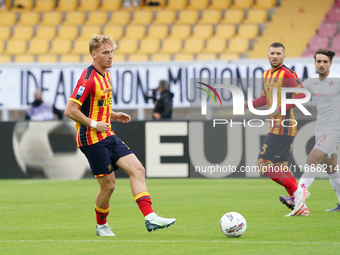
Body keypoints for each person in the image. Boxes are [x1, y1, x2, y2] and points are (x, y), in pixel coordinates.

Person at [64, 35, 176, 236]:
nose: (110, 56)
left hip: (107, 133)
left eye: (111, 52)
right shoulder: (87, 79)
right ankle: (101, 226)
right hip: (90, 139)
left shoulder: (105, 74)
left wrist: (112, 114)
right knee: (109, 186)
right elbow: (70, 110)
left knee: (138, 169)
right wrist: (94, 123)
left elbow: (96, 104)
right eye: (105, 53)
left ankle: (150, 217)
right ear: (94, 54)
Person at [244, 42, 310, 217]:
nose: (275, 56)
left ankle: (298, 193)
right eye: (272, 53)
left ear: (284, 56)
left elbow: (302, 94)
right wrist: (246, 105)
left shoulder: (287, 73)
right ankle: (299, 206)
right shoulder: (267, 74)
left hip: (284, 126)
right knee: (281, 166)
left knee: (262, 165)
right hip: (276, 126)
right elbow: (265, 98)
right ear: (267, 55)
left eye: (278, 53)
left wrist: (281, 107)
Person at [280, 49, 340, 212]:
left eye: (325, 62)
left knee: (311, 160)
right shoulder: (311, 82)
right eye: (318, 61)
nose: (321, 65)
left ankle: (296, 198)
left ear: (330, 64)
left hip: (335, 130)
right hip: (321, 129)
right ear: (314, 63)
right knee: (332, 169)